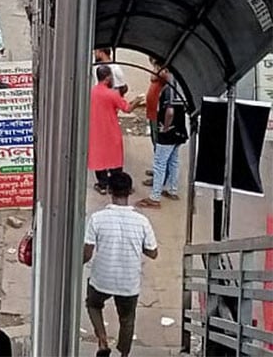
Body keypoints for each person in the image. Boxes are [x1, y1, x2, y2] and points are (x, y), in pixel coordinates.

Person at [83, 172, 158, 357]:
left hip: (102, 278)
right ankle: (123, 354)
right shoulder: (142, 222)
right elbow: (153, 252)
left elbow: (87, 252)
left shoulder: (97, 218)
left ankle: (102, 340)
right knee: (127, 319)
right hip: (128, 282)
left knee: (93, 304)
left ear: (109, 190)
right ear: (131, 191)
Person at [137, 70, 190, 210]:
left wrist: (165, 127)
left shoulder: (168, 90)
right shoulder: (181, 87)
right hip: (180, 130)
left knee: (159, 164)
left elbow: (170, 111)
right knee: (173, 161)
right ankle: (172, 189)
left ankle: (155, 197)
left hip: (168, 133)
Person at [88, 64, 131, 193]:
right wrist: (137, 101)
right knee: (114, 157)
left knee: (98, 156)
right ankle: (115, 183)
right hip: (111, 130)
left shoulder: (91, 92)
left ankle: (102, 184)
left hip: (95, 130)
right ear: (107, 78)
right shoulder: (112, 94)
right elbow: (127, 108)